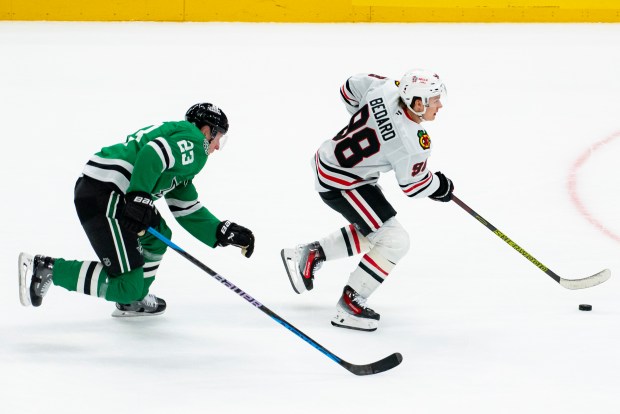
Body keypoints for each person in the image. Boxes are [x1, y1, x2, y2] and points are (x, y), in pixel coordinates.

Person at [19, 103, 255, 317]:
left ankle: (133, 300)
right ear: (207, 131)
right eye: (218, 138)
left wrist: (220, 231)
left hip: (108, 189)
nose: (216, 147)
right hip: (108, 190)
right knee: (125, 286)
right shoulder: (195, 142)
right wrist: (140, 195)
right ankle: (48, 268)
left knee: (159, 236)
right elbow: (153, 152)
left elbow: (185, 208)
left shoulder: (183, 150)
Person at [281, 70, 453, 332]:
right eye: (434, 99)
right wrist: (440, 186)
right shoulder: (412, 143)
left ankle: (311, 253)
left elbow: (348, 88)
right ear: (417, 103)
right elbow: (413, 186)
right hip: (341, 182)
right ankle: (349, 304)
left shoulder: (387, 88)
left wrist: (369, 122)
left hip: (333, 163)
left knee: (380, 231)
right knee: (394, 240)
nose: (439, 105)